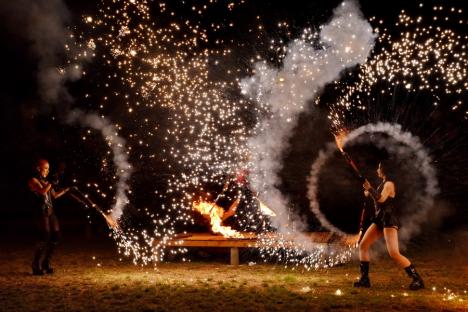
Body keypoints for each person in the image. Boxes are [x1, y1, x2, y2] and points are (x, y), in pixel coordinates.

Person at [354, 162, 424, 290]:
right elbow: (378, 201)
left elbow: (381, 199)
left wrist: (370, 188)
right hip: (379, 219)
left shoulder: (389, 184)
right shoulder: (382, 184)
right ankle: (365, 280)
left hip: (388, 219)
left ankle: (417, 279)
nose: (377, 169)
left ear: (384, 170)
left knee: (394, 253)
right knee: (363, 245)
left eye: (379, 167)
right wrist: (369, 192)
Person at [28, 159, 70, 275]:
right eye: (45, 168)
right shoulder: (33, 180)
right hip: (40, 212)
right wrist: (51, 183)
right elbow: (42, 192)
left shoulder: (46, 181)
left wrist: (66, 189)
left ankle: (46, 262)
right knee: (45, 235)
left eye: (48, 168)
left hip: (50, 212)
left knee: (56, 235)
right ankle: (36, 265)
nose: (47, 171)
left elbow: (54, 195)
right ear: (38, 168)